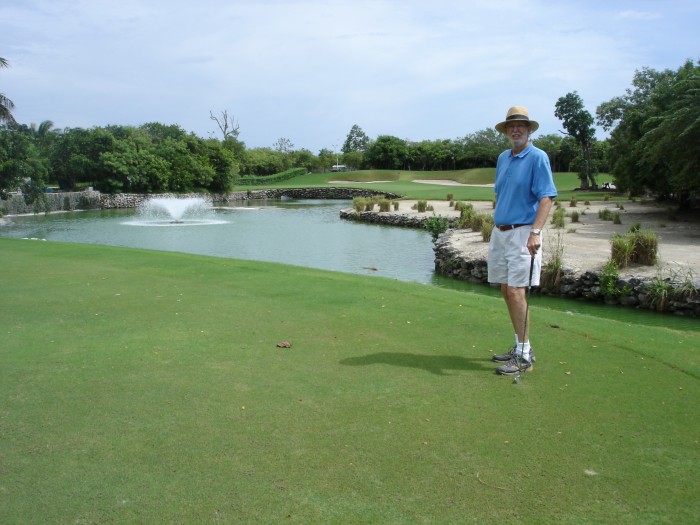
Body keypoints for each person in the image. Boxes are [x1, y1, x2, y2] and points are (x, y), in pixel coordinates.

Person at [488, 106, 557, 376]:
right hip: (500, 232)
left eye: (521, 126)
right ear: (506, 131)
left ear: (529, 130)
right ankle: (519, 347)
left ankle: (525, 355)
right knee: (507, 290)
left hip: (523, 233)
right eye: (511, 126)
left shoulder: (538, 157)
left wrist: (535, 232)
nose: (515, 130)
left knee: (517, 291)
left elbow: (547, 196)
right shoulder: (503, 158)